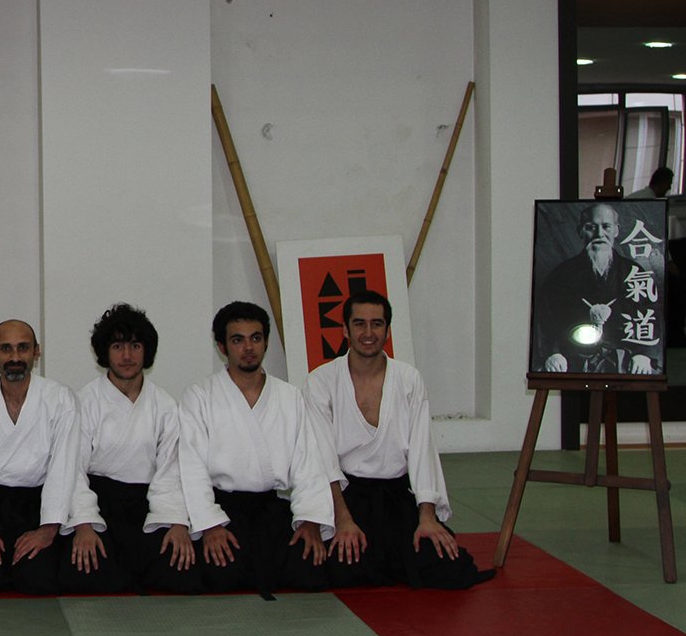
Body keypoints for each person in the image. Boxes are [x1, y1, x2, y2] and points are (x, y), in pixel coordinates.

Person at [307, 290, 491, 589]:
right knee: (341, 569)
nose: (368, 333)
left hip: (397, 495)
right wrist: (343, 519)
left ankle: (393, 554)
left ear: (387, 330)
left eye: (377, 324)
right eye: (359, 324)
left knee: (448, 568)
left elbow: (422, 449)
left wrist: (427, 516)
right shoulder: (321, 381)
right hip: (348, 496)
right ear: (345, 330)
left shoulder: (408, 379)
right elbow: (322, 457)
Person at [179, 301, 334, 598]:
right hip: (224, 509)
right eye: (238, 340)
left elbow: (309, 463)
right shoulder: (199, 396)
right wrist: (210, 526)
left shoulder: (290, 396)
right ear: (222, 347)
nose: (248, 347)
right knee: (222, 576)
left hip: (272, 508)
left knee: (311, 572)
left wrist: (311, 520)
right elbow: (191, 467)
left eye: (256, 338)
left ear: (265, 342)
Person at [60, 303, 201, 595]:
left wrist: (177, 522)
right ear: (105, 352)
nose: (127, 356)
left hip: (148, 503)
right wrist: (84, 524)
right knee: (87, 572)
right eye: (118, 346)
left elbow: (171, 471)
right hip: (100, 502)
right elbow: (72, 471)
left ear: (147, 351)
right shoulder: (84, 402)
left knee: (181, 573)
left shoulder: (164, 405)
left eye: (135, 346)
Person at [0, 319, 78, 595]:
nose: (15, 357)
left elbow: (63, 467)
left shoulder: (59, 398)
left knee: (39, 582)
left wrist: (47, 530)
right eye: (6, 348)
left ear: (36, 351)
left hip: (37, 504)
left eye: (23, 348)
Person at [534, 202, 661, 374]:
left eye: (606, 227)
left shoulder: (633, 273)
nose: (599, 234)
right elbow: (547, 318)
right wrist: (553, 353)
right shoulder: (561, 274)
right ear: (580, 231)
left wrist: (644, 354)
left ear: (616, 230)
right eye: (591, 227)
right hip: (573, 356)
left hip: (625, 358)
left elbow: (650, 313)